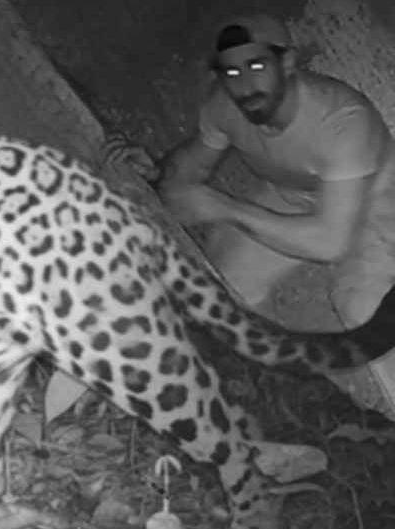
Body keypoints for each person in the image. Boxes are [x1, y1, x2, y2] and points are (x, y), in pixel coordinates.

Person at [159, 13, 395, 409]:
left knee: (360, 304)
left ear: (287, 63)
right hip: (293, 197)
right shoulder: (226, 104)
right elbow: (192, 165)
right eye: (231, 71)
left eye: (256, 66)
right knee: (221, 284)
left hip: (373, 206)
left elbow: (328, 242)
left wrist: (226, 208)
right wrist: (154, 173)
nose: (244, 84)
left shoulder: (343, 120)